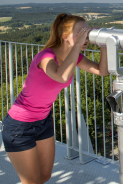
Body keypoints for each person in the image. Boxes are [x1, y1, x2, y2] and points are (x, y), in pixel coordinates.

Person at [1, 13, 109, 184]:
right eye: (80, 33)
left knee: (44, 176)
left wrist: (104, 44)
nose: (85, 37)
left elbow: (102, 71)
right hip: (19, 126)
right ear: (65, 37)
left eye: (86, 33)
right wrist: (78, 46)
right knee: (31, 181)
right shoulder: (46, 56)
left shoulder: (75, 57)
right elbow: (62, 76)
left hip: (43, 121)